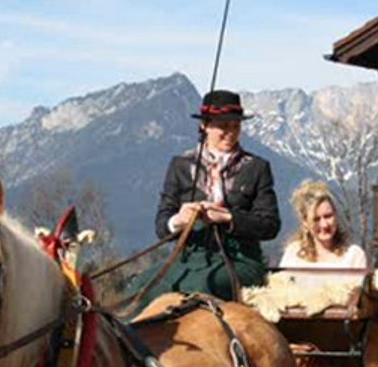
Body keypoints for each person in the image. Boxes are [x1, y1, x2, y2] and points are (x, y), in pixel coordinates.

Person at [134, 89, 281, 307]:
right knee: (140, 286)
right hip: (186, 260)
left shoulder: (257, 168)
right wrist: (179, 220)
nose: (230, 132)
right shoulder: (180, 166)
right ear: (204, 125)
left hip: (240, 260)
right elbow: (161, 226)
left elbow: (270, 225)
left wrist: (229, 218)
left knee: (200, 287)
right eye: (223, 126)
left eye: (235, 125)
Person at [278, 180, 366, 269]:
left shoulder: (353, 256)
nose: (324, 225)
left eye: (328, 216)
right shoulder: (294, 254)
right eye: (316, 219)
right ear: (305, 222)